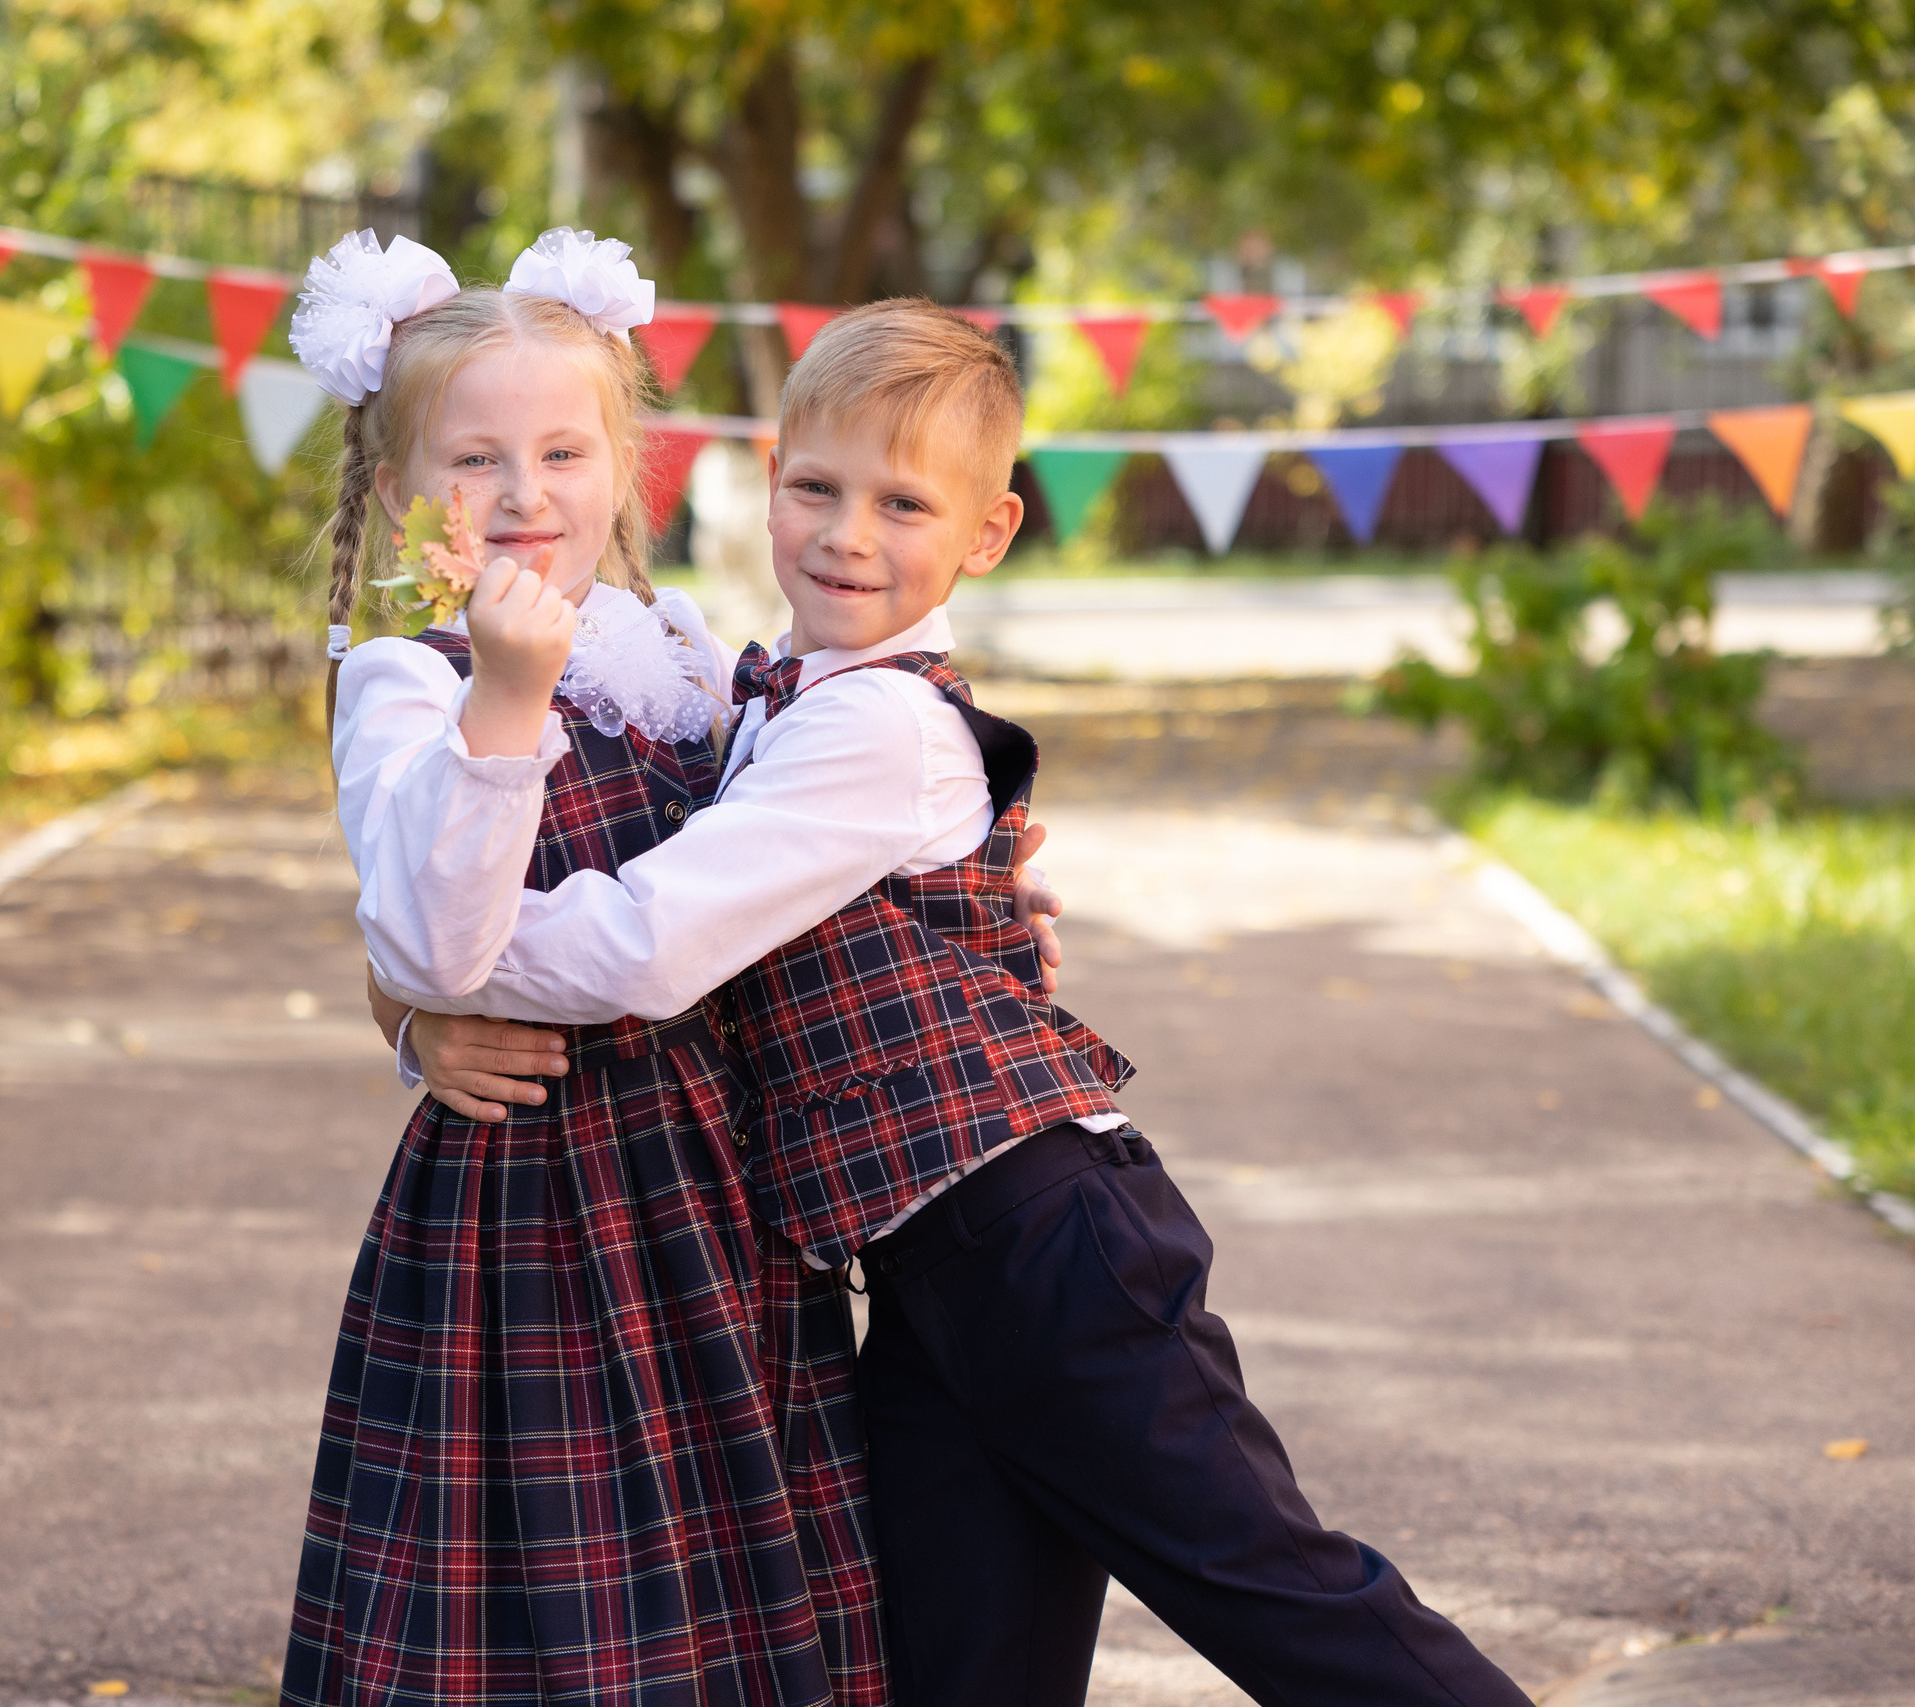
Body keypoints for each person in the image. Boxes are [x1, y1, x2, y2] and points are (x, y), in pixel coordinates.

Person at [375, 301, 1535, 1707]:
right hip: (924, 1279)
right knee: (954, 1666)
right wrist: (405, 998)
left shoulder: (877, 724)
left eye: (902, 504)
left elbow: (644, 946)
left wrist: (428, 969)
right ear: (764, 480)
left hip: (1048, 1242)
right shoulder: (756, 697)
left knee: (1279, 1596)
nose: (847, 536)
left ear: (985, 535)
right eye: (816, 488)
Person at [281, 226, 889, 1707]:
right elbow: (429, 935)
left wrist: (980, 890)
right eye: (474, 461)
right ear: (398, 489)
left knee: (740, 1549)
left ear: (624, 469)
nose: (522, 495)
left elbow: (787, 855)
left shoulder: (685, 658)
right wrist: (507, 694)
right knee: (553, 1580)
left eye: (563, 452)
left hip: (722, 1187)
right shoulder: (407, 682)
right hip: (536, 1210)